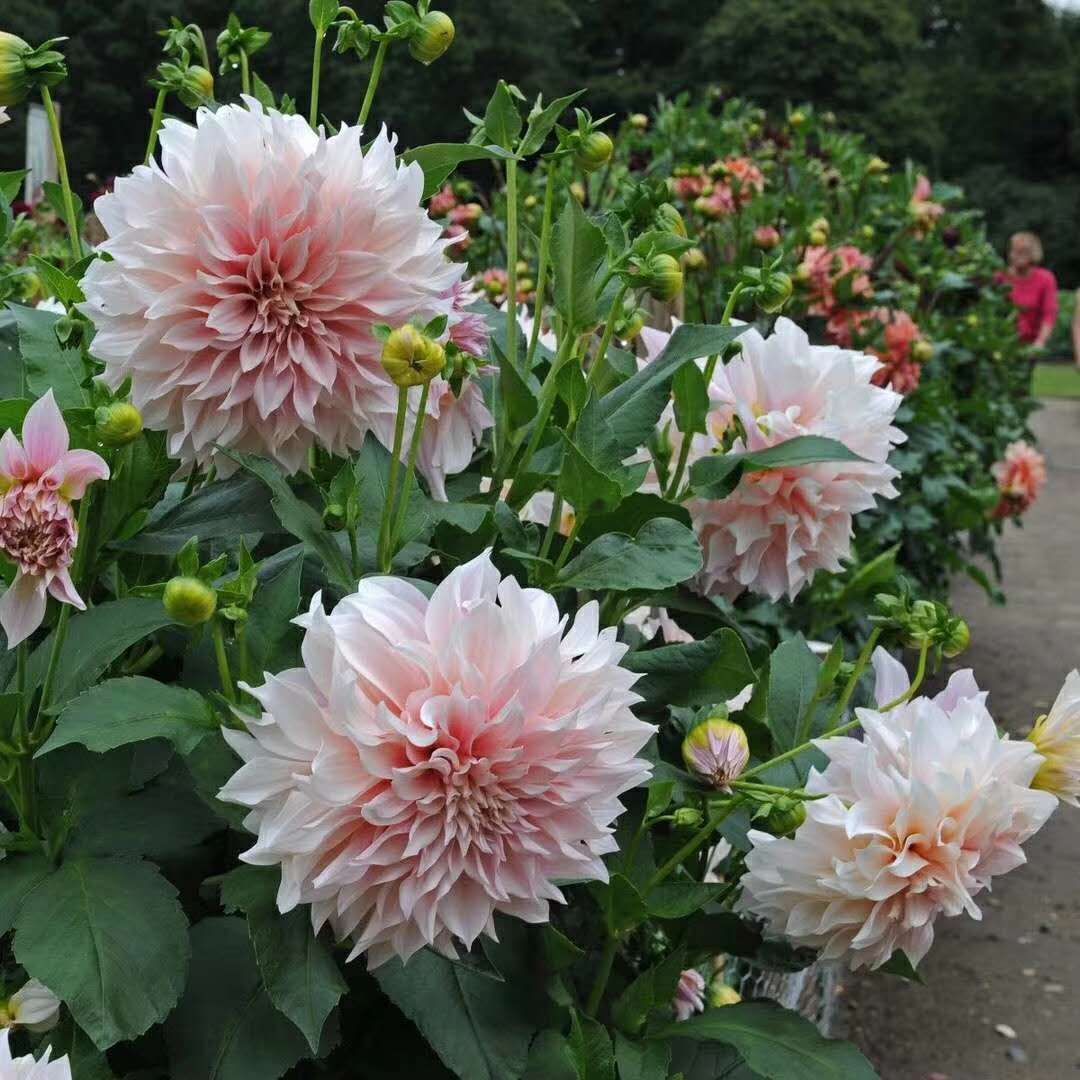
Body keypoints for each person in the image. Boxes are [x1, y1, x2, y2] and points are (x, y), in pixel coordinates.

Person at [1001, 232, 1058, 349]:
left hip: (1030, 344)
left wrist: (1040, 341)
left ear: (1033, 254)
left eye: (1022, 252)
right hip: (1002, 341)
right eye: (1014, 251)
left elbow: (1049, 314)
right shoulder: (1000, 277)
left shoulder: (1046, 278)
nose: (1016, 255)